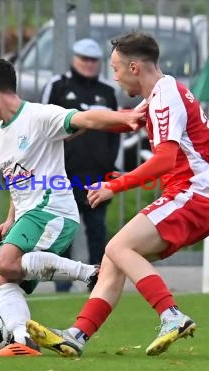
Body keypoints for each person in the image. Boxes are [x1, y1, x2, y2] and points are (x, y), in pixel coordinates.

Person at [26, 32, 209, 357]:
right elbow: (126, 121)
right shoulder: (159, 95)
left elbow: (165, 159)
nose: (113, 77)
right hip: (193, 195)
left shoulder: (165, 97)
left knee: (118, 246)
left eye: (115, 69)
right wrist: (66, 128)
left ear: (134, 66)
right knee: (115, 258)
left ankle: (171, 315)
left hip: (195, 194)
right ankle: (77, 335)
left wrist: (115, 184)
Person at [0, 58, 145, 356]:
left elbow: (86, 119)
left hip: (52, 212)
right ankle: (22, 340)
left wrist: (124, 117)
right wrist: (10, 219)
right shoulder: (0, 132)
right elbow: (19, 178)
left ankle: (89, 272)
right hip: (29, 215)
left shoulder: (39, 116)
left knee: (5, 265)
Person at [41, 38, 119, 292]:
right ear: (74, 58)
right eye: (84, 59)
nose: (88, 64)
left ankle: (98, 285)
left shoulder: (107, 92)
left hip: (97, 177)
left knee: (98, 233)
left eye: (93, 60)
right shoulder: (58, 87)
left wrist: (110, 167)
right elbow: (43, 126)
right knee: (64, 233)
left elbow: (115, 132)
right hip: (63, 176)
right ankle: (62, 286)